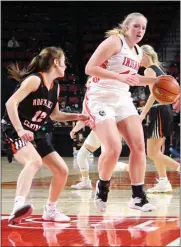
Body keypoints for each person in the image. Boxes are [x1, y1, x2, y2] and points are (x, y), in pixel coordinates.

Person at [1, 46, 89, 224]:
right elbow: (11, 104)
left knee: (62, 170)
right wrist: (19, 130)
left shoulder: (55, 87)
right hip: (13, 129)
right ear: (56, 62)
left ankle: (50, 210)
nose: (66, 66)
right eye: (64, 62)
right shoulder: (35, 80)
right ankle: (18, 205)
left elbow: (55, 115)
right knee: (34, 161)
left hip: (34, 132)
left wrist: (76, 116)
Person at [85, 12, 160, 212]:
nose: (140, 31)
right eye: (136, 26)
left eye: (143, 28)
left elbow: (133, 79)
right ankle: (102, 185)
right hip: (100, 98)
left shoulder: (137, 52)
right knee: (113, 148)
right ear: (126, 27)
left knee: (138, 146)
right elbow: (90, 68)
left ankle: (137, 196)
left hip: (122, 99)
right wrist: (120, 77)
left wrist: (157, 81)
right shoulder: (114, 41)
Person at [139, 45, 180, 193]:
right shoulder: (160, 71)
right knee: (157, 152)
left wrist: (143, 113)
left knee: (152, 153)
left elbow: (154, 94)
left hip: (158, 112)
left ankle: (178, 168)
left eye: (139, 56)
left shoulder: (149, 69)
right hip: (164, 111)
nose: (138, 60)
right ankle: (163, 181)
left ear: (146, 55)